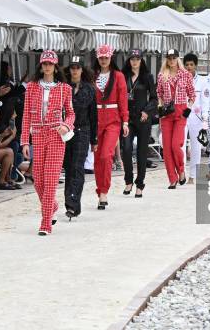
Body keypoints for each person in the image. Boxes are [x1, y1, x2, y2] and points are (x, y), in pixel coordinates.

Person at [21, 50, 75, 236]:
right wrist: (24, 142)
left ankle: (45, 223)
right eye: (45, 63)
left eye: (50, 64)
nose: (47, 66)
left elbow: (71, 113)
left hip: (55, 135)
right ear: (41, 65)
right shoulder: (31, 87)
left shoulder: (64, 88)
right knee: (38, 180)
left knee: (51, 179)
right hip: (37, 134)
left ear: (55, 66)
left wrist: (66, 126)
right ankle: (51, 205)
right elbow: (26, 116)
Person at [92, 44, 129, 209]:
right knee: (97, 157)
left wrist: (125, 121)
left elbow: (123, 99)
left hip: (113, 119)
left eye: (106, 57)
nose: (104, 60)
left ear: (111, 57)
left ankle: (104, 191)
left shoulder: (119, 76)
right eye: (101, 57)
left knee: (106, 155)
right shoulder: (93, 76)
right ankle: (100, 190)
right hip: (96, 118)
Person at [62, 56, 97, 219]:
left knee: (77, 166)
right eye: (72, 67)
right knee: (69, 167)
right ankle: (71, 203)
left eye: (77, 67)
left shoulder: (89, 89)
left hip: (83, 130)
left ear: (82, 70)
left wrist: (94, 139)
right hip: (66, 131)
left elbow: (93, 115)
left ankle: (72, 202)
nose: (74, 70)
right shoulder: (63, 87)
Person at [121, 49, 157, 198]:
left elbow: (154, 98)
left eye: (137, 58)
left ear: (141, 60)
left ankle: (140, 184)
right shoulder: (123, 76)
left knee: (142, 152)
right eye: (132, 59)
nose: (134, 61)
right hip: (128, 118)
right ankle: (128, 180)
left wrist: (147, 111)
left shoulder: (147, 77)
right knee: (127, 149)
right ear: (129, 61)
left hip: (143, 119)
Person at [157, 49, 195, 188]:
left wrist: (188, 109)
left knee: (175, 145)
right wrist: (160, 107)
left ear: (178, 58)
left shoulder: (185, 74)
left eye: (174, 57)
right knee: (166, 148)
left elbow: (192, 95)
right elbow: (159, 93)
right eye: (169, 57)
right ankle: (172, 178)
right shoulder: (162, 75)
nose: (171, 60)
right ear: (166, 59)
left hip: (180, 111)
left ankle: (181, 170)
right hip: (167, 112)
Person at [183, 53, 208, 185]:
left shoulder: (203, 81)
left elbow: (205, 100)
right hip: (182, 114)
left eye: (191, 65)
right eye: (186, 64)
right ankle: (181, 174)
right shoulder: (179, 78)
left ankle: (193, 176)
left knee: (196, 146)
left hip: (196, 117)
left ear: (195, 65)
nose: (189, 67)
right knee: (180, 145)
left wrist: (205, 118)